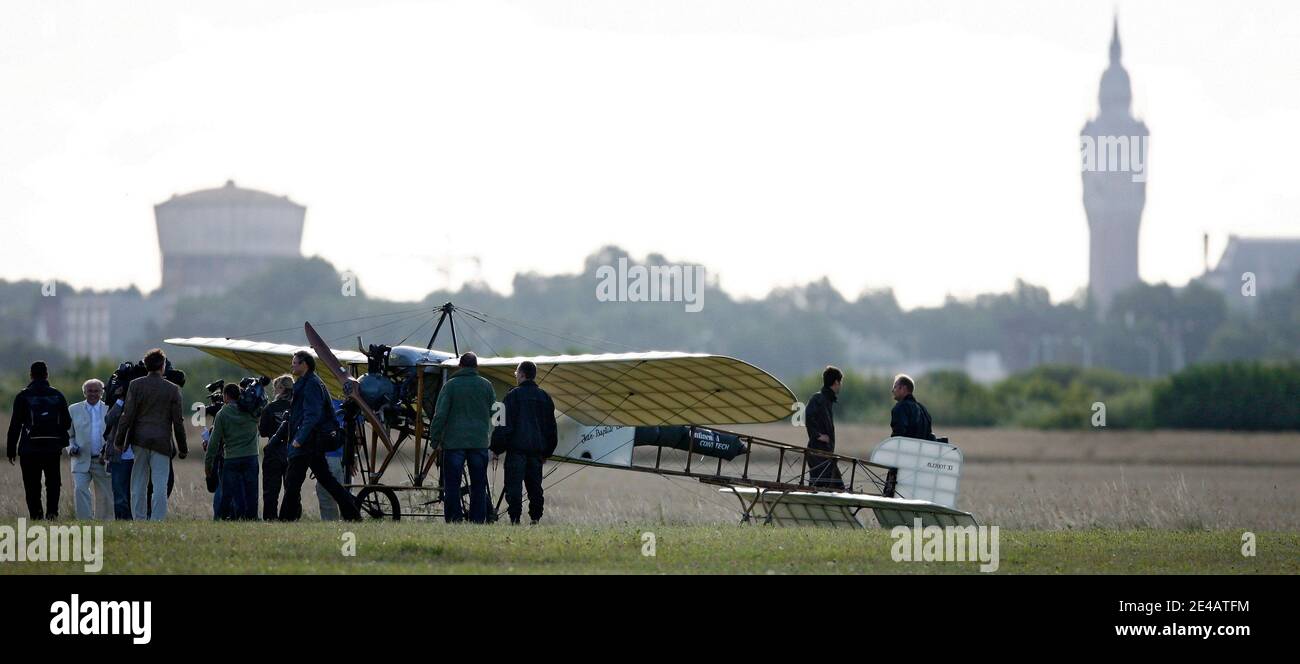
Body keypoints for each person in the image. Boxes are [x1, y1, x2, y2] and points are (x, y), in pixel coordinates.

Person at [276, 351, 360, 522]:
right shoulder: (310, 382)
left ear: (304, 364)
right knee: (327, 481)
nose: (292, 365)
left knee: (292, 482)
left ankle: (285, 520)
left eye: (295, 362)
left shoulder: (311, 385)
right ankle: (353, 515)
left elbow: (312, 415)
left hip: (307, 442)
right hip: (313, 442)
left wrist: (299, 439)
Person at [114, 349, 188, 521]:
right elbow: (178, 422)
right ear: (163, 366)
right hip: (162, 442)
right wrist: (183, 448)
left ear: (146, 365)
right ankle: (157, 519)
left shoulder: (136, 385)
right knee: (160, 485)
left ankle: (139, 518)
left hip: (139, 440)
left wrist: (119, 440)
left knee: (138, 483)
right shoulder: (173, 389)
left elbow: (127, 415)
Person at [429, 352, 496, 524]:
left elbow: (440, 415)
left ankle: (454, 520)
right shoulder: (487, 386)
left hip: (453, 443)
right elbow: (496, 412)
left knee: (452, 485)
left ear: (460, 366)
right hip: (479, 442)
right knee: (479, 485)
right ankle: (477, 521)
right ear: (476, 367)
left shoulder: (450, 386)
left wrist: (435, 439)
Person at [490, 361, 557, 525]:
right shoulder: (545, 397)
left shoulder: (512, 396)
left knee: (514, 487)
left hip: (516, 452)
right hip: (536, 453)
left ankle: (515, 519)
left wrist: (496, 448)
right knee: (535, 488)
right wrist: (547, 452)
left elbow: (503, 425)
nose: (516, 376)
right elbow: (551, 429)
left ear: (521, 375)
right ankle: (535, 519)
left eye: (516, 374)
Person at [6, 361, 72, 520]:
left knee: (32, 485)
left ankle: (36, 517)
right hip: (52, 448)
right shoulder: (57, 395)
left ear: (31, 375)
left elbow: (15, 424)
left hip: (29, 449)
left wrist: (11, 450)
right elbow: (67, 422)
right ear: (46, 374)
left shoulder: (23, 396)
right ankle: (52, 515)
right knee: (53, 484)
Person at [207, 383, 260, 520]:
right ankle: (251, 518)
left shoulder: (222, 414)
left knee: (229, 493)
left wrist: (208, 464)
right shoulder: (251, 410)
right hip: (251, 456)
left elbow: (213, 442)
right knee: (252, 492)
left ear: (225, 396)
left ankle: (226, 518)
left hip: (231, 458)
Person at [68, 379, 112, 520]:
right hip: (81, 459)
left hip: (103, 460)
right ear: (84, 392)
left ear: (102, 393)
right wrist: (71, 447)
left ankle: (105, 522)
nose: (93, 394)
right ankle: (85, 521)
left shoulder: (109, 409)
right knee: (80, 489)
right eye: (89, 391)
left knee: (106, 494)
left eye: (96, 391)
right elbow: (69, 435)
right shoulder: (73, 409)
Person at [804, 365, 845, 490]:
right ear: (836, 382)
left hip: (825, 453)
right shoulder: (818, 398)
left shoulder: (827, 400)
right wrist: (818, 436)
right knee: (821, 487)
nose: (840, 385)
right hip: (818, 453)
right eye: (840, 382)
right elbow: (808, 418)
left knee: (835, 487)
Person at [259, 374, 293, 520]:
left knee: (271, 491)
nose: (274, 391)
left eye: (276, 387)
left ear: (282, 389)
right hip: (293, 452)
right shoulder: (297, 406)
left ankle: (270, 518)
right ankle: (291, 517)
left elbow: (263, 432)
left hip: (273, 452)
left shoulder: (270, 407)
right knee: (292, 489)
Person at [102, 387, 134, 520]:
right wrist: (120, 399)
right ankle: (122, 521)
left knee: (136, 493)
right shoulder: (119, 404)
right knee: (120, 495)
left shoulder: (143, 400)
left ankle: (137, 520)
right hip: (119, 456)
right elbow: (109, 420)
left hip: (138, 455)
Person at [316, 398, 348, 521]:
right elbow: (357, 435)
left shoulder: (323, 403)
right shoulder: (351, 403)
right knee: (345, 489)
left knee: (326, 493)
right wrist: (354, 455)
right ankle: (348, 520)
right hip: (343, 456)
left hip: (329, 455)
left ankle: (330, 523)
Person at [890, 374, 935, 440]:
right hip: (922, 450)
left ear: (903, 388)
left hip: (905, 449)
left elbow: (898, 436)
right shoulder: (923, 409)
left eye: (895, 387)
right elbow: (929, 436)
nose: (892, 390)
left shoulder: (900, 407)